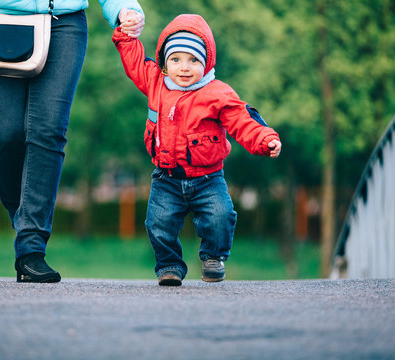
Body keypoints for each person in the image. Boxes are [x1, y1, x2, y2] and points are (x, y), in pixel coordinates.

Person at [0, 0, 144, 283]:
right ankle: (24, 214)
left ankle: (31, 247)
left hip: (63, 21)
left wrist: (123, 7)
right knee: (6, 134)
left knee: (48, 131)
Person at [113, 14, 282, 286]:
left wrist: (265, 139)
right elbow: (134, 60)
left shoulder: (217, 93)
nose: (184, 67)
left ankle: (213, 258)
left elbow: (243, 119)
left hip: (207, 178)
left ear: (206, 63)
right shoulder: (156, 82)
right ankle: (169, 266)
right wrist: (125, 34)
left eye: (194, 60)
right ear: (165, 63)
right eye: (176, 59)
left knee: (220, 216)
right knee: (158, 223)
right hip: (166, 177)